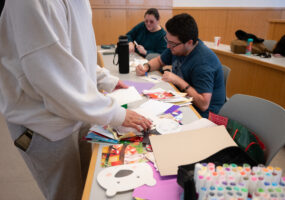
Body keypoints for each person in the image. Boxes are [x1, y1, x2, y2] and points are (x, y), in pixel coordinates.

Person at [0, 1, 151, 200]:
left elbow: (75, 53)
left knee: (87, 188)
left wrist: (105, 80)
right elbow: (52, 73)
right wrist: (116, 114)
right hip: (44, 125)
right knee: (68, 194)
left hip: (75, 111)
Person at [136, 13, 225, 118]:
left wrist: (178, 81)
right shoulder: (177, 46)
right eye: (167, 41)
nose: (168, 46)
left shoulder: (203, 63)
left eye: (172, 43)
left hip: (203, 115)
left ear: (189, 42)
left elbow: (204, 104)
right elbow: (160, 61)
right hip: (183, 100)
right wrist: (146, 67)